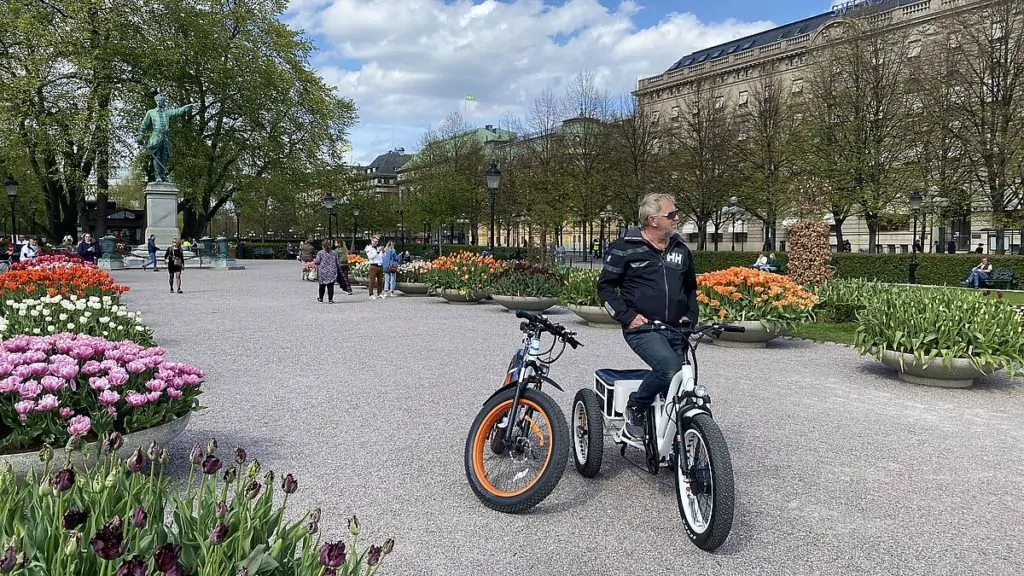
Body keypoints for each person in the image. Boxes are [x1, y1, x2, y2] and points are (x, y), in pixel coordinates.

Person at [597, 193, 699, 439]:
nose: (677, 218)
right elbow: (605, 288)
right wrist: (627, 316)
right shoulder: (625, 249)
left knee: (683, 383)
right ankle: (636, 406)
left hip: (676, 329)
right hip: (643, 328)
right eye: (671, 215)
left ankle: (673, 437)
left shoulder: (681, 249)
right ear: (654, 220)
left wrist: (690, 315)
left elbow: (690, 287)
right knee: (670, 369)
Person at [137, 93, 198, 182]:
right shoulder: (151, 112)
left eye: (160, 101)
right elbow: (144, 124)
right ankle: (157, 176)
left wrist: (187, 107)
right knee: (157, 156)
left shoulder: (167, 112)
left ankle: (162, 175)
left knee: (165, 156)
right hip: (156, 136)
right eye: (157, 101)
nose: (159, 102)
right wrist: (140, 135)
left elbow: (178, 111)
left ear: (163, 102)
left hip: (165, 136)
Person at [364, 235, 385, 300]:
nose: (376, 243)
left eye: (377, 241)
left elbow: (381, 256)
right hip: (373, 265)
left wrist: (383, 252)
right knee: (372, 281)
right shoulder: (368, 248)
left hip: (380, 265)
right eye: (374, 241)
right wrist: (378, 251)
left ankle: (379, 293)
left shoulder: (378, 247)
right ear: (371, 241)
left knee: (380, 281)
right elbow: (370, 257)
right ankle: (371, 294)